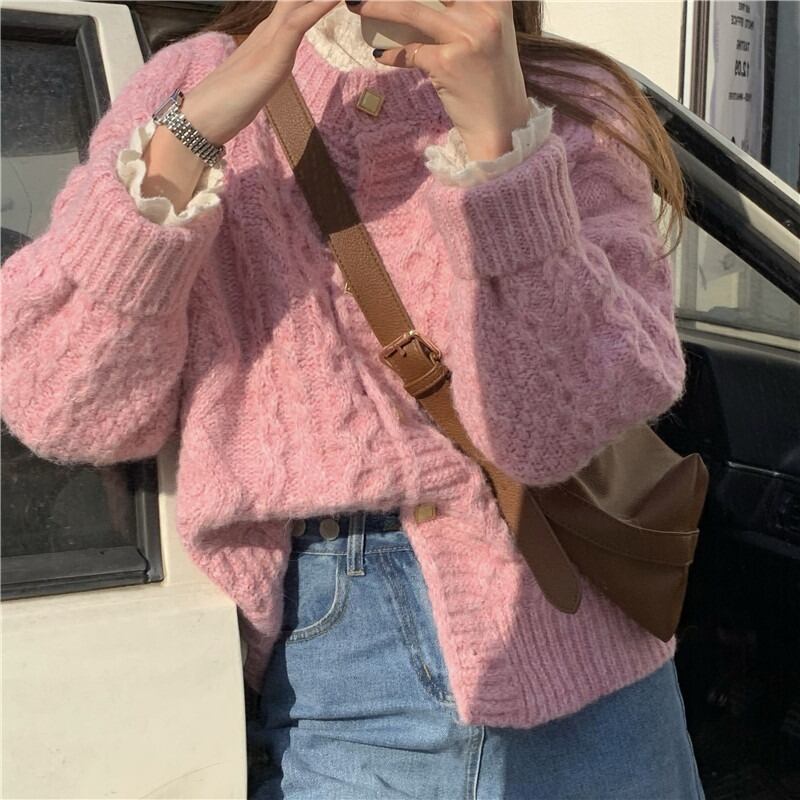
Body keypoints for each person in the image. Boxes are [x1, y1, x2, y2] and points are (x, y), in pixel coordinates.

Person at [1, 1, 706, 797]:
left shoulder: (568, 97)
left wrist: (504, 152)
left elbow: (552, 433)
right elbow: (63, 407)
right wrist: (185, 143)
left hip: (582, 641)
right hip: (338, 649)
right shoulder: (195, 79)